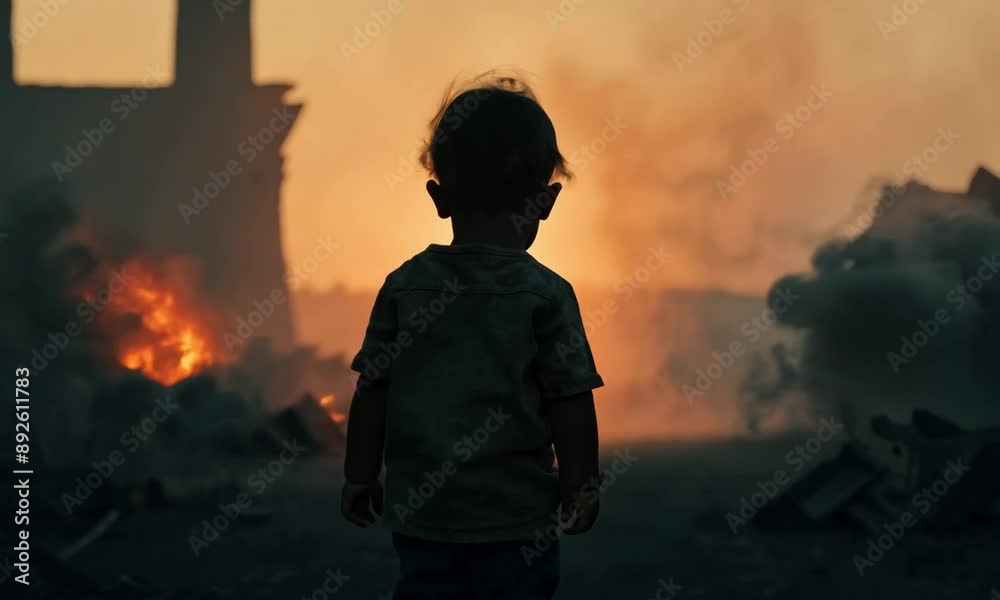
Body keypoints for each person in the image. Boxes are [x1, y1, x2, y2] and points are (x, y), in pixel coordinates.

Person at [341, 73, 604, 600]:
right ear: (545, 201)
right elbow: (569, 400)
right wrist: (580, 485)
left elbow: (373, 390)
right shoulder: (546, 296)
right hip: (517, 520)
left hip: (423, 517)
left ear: (438, 197)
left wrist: (360, 475)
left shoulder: (404, 287)